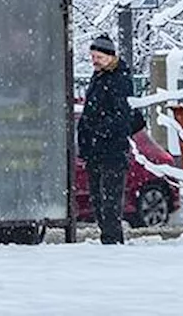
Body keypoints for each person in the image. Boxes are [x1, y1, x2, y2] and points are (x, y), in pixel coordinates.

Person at [77, 33, 135, 245]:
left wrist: (98, 130)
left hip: (111, 150)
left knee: (109, 203)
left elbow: (122, 116)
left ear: (110, 57)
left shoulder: (118, 79)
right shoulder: (101, 76)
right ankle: (109, 240)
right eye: (93, 56)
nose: (94, 61)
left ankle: (112, 242)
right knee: (99, 200)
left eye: (98, 57)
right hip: (97, 150)